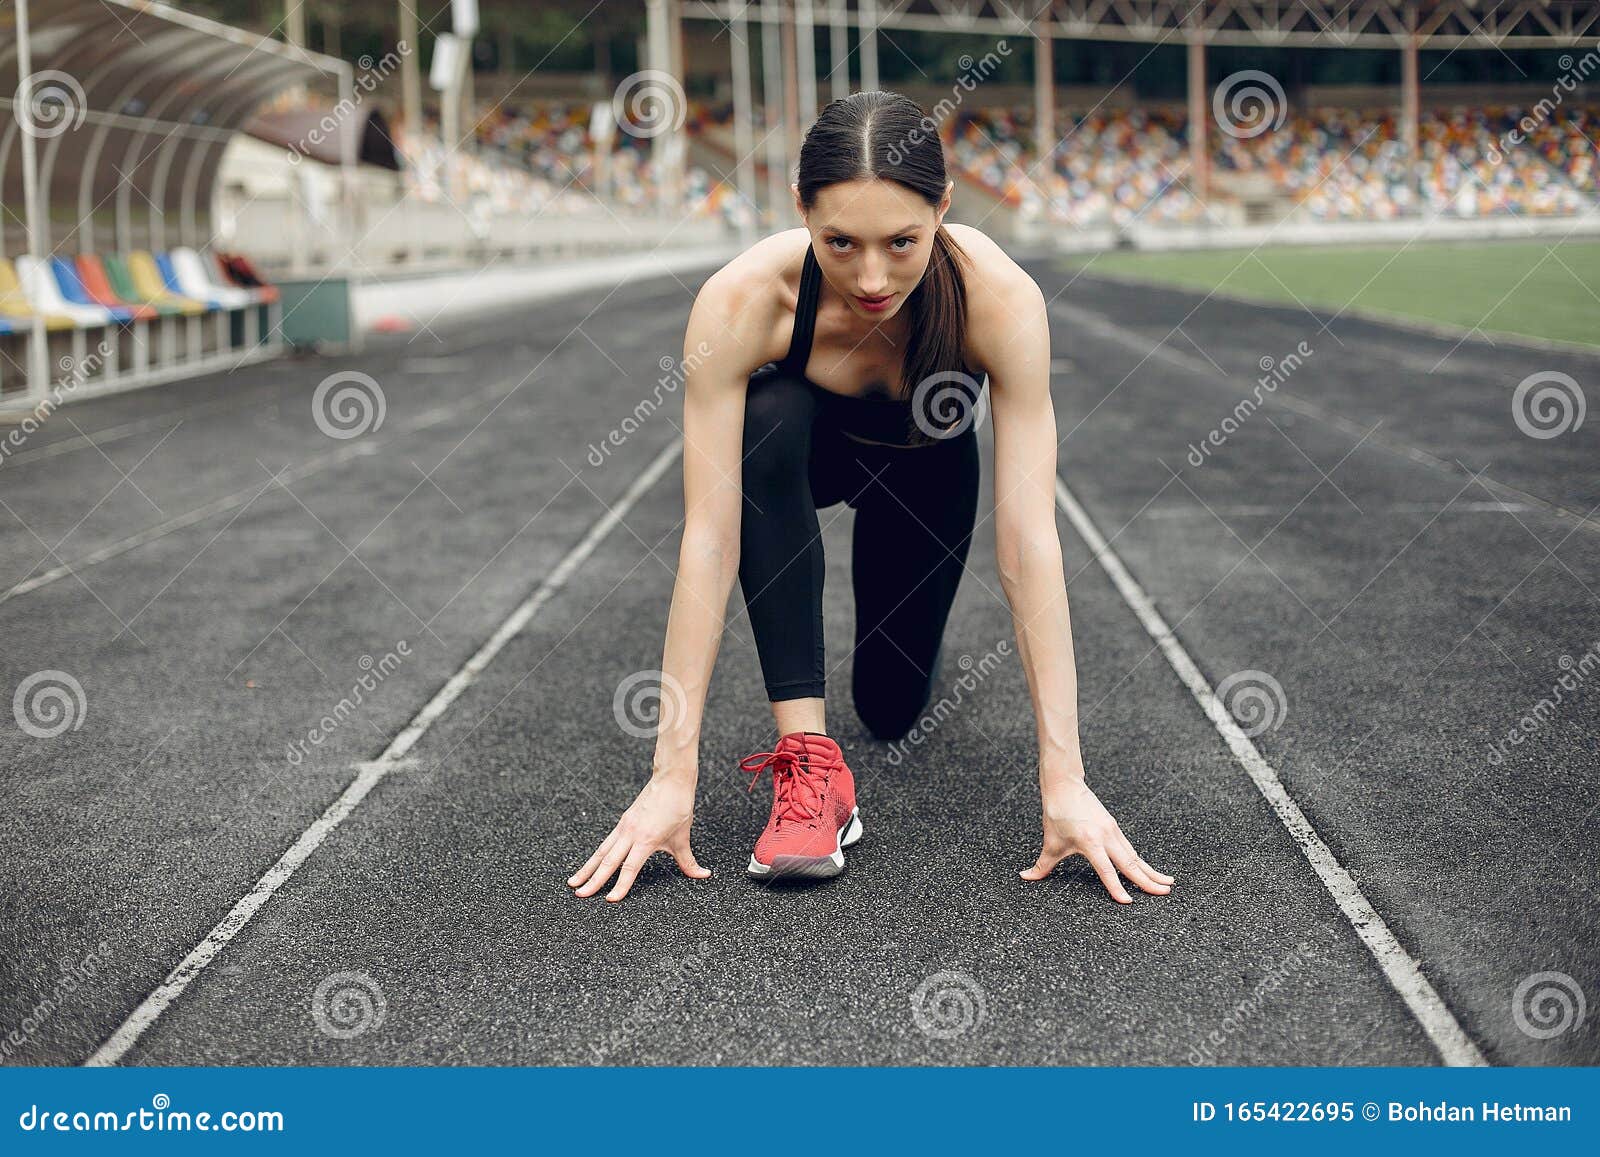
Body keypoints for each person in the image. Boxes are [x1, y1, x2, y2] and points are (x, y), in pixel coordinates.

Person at [568, 91, 1175, 904]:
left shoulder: (1000, 301)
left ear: (944, 210)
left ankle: (886, 684)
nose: (872, 277)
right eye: (840, 243)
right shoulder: (743, 302)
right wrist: (670, 777)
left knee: (891, 707)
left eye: (903, 242)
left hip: (926, 472)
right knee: (769, 417)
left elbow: (1030, 541)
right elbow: (710, 539)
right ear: (800, 213)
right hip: (799, 458)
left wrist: (1064, 780)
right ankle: (810, 764)